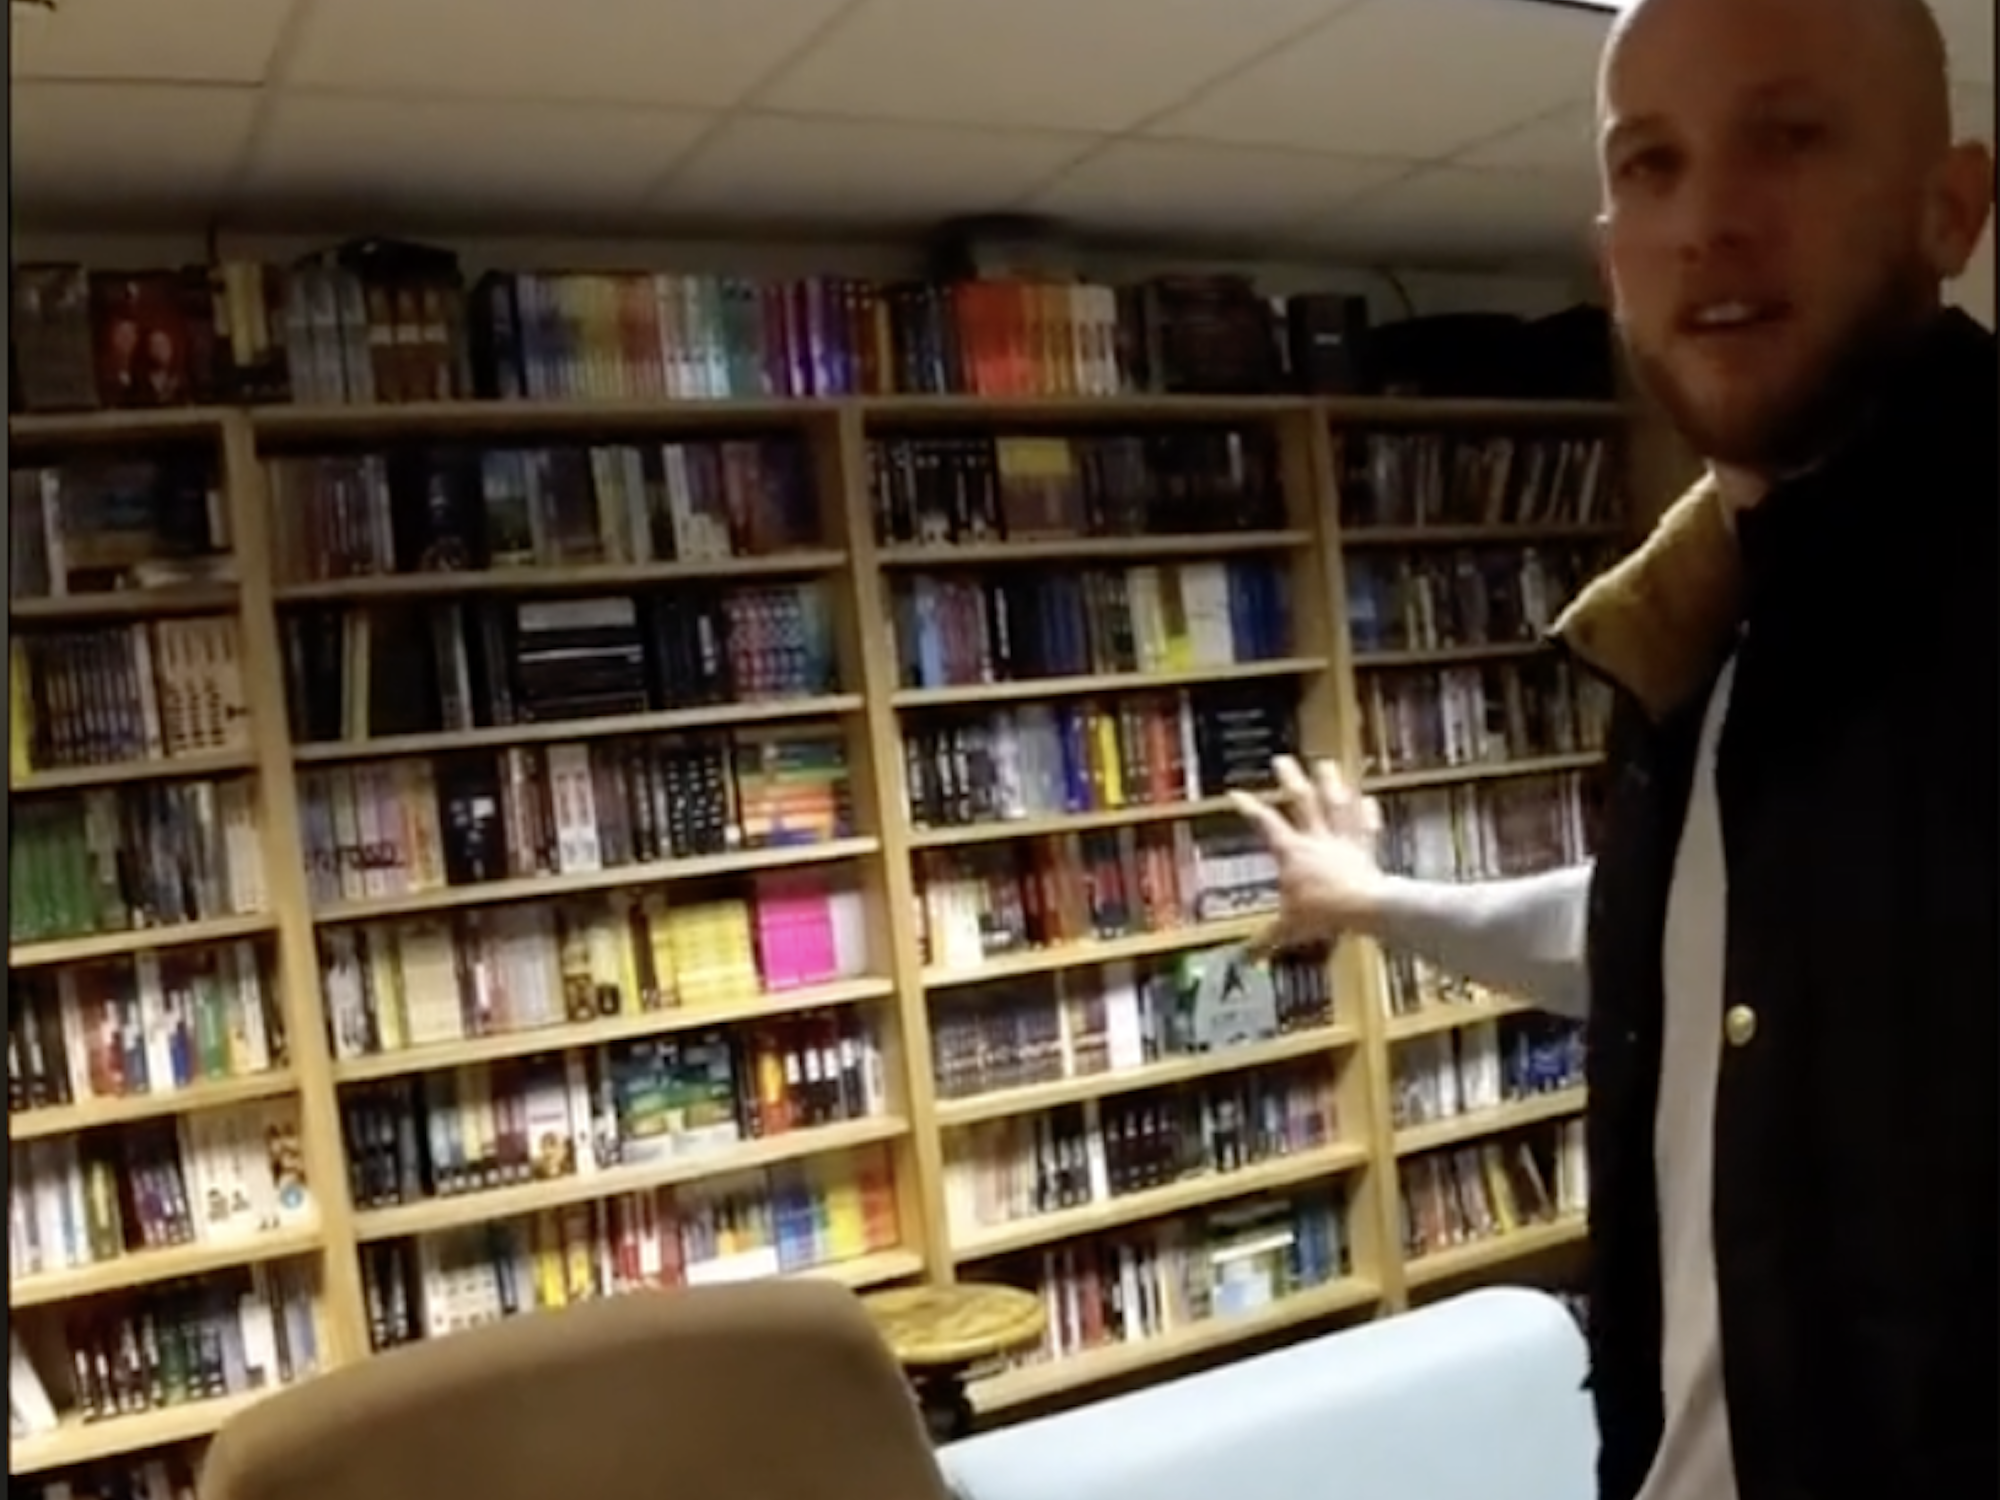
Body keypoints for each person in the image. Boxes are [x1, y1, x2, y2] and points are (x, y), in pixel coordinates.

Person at [1230, 0, 1996, 1497]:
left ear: (1950, 209)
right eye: (1650, 165)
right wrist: (1374, 904)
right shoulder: (1703, 633)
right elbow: (1660, 946)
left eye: (1788, 135)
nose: (1708, 215)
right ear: (1609, 264)